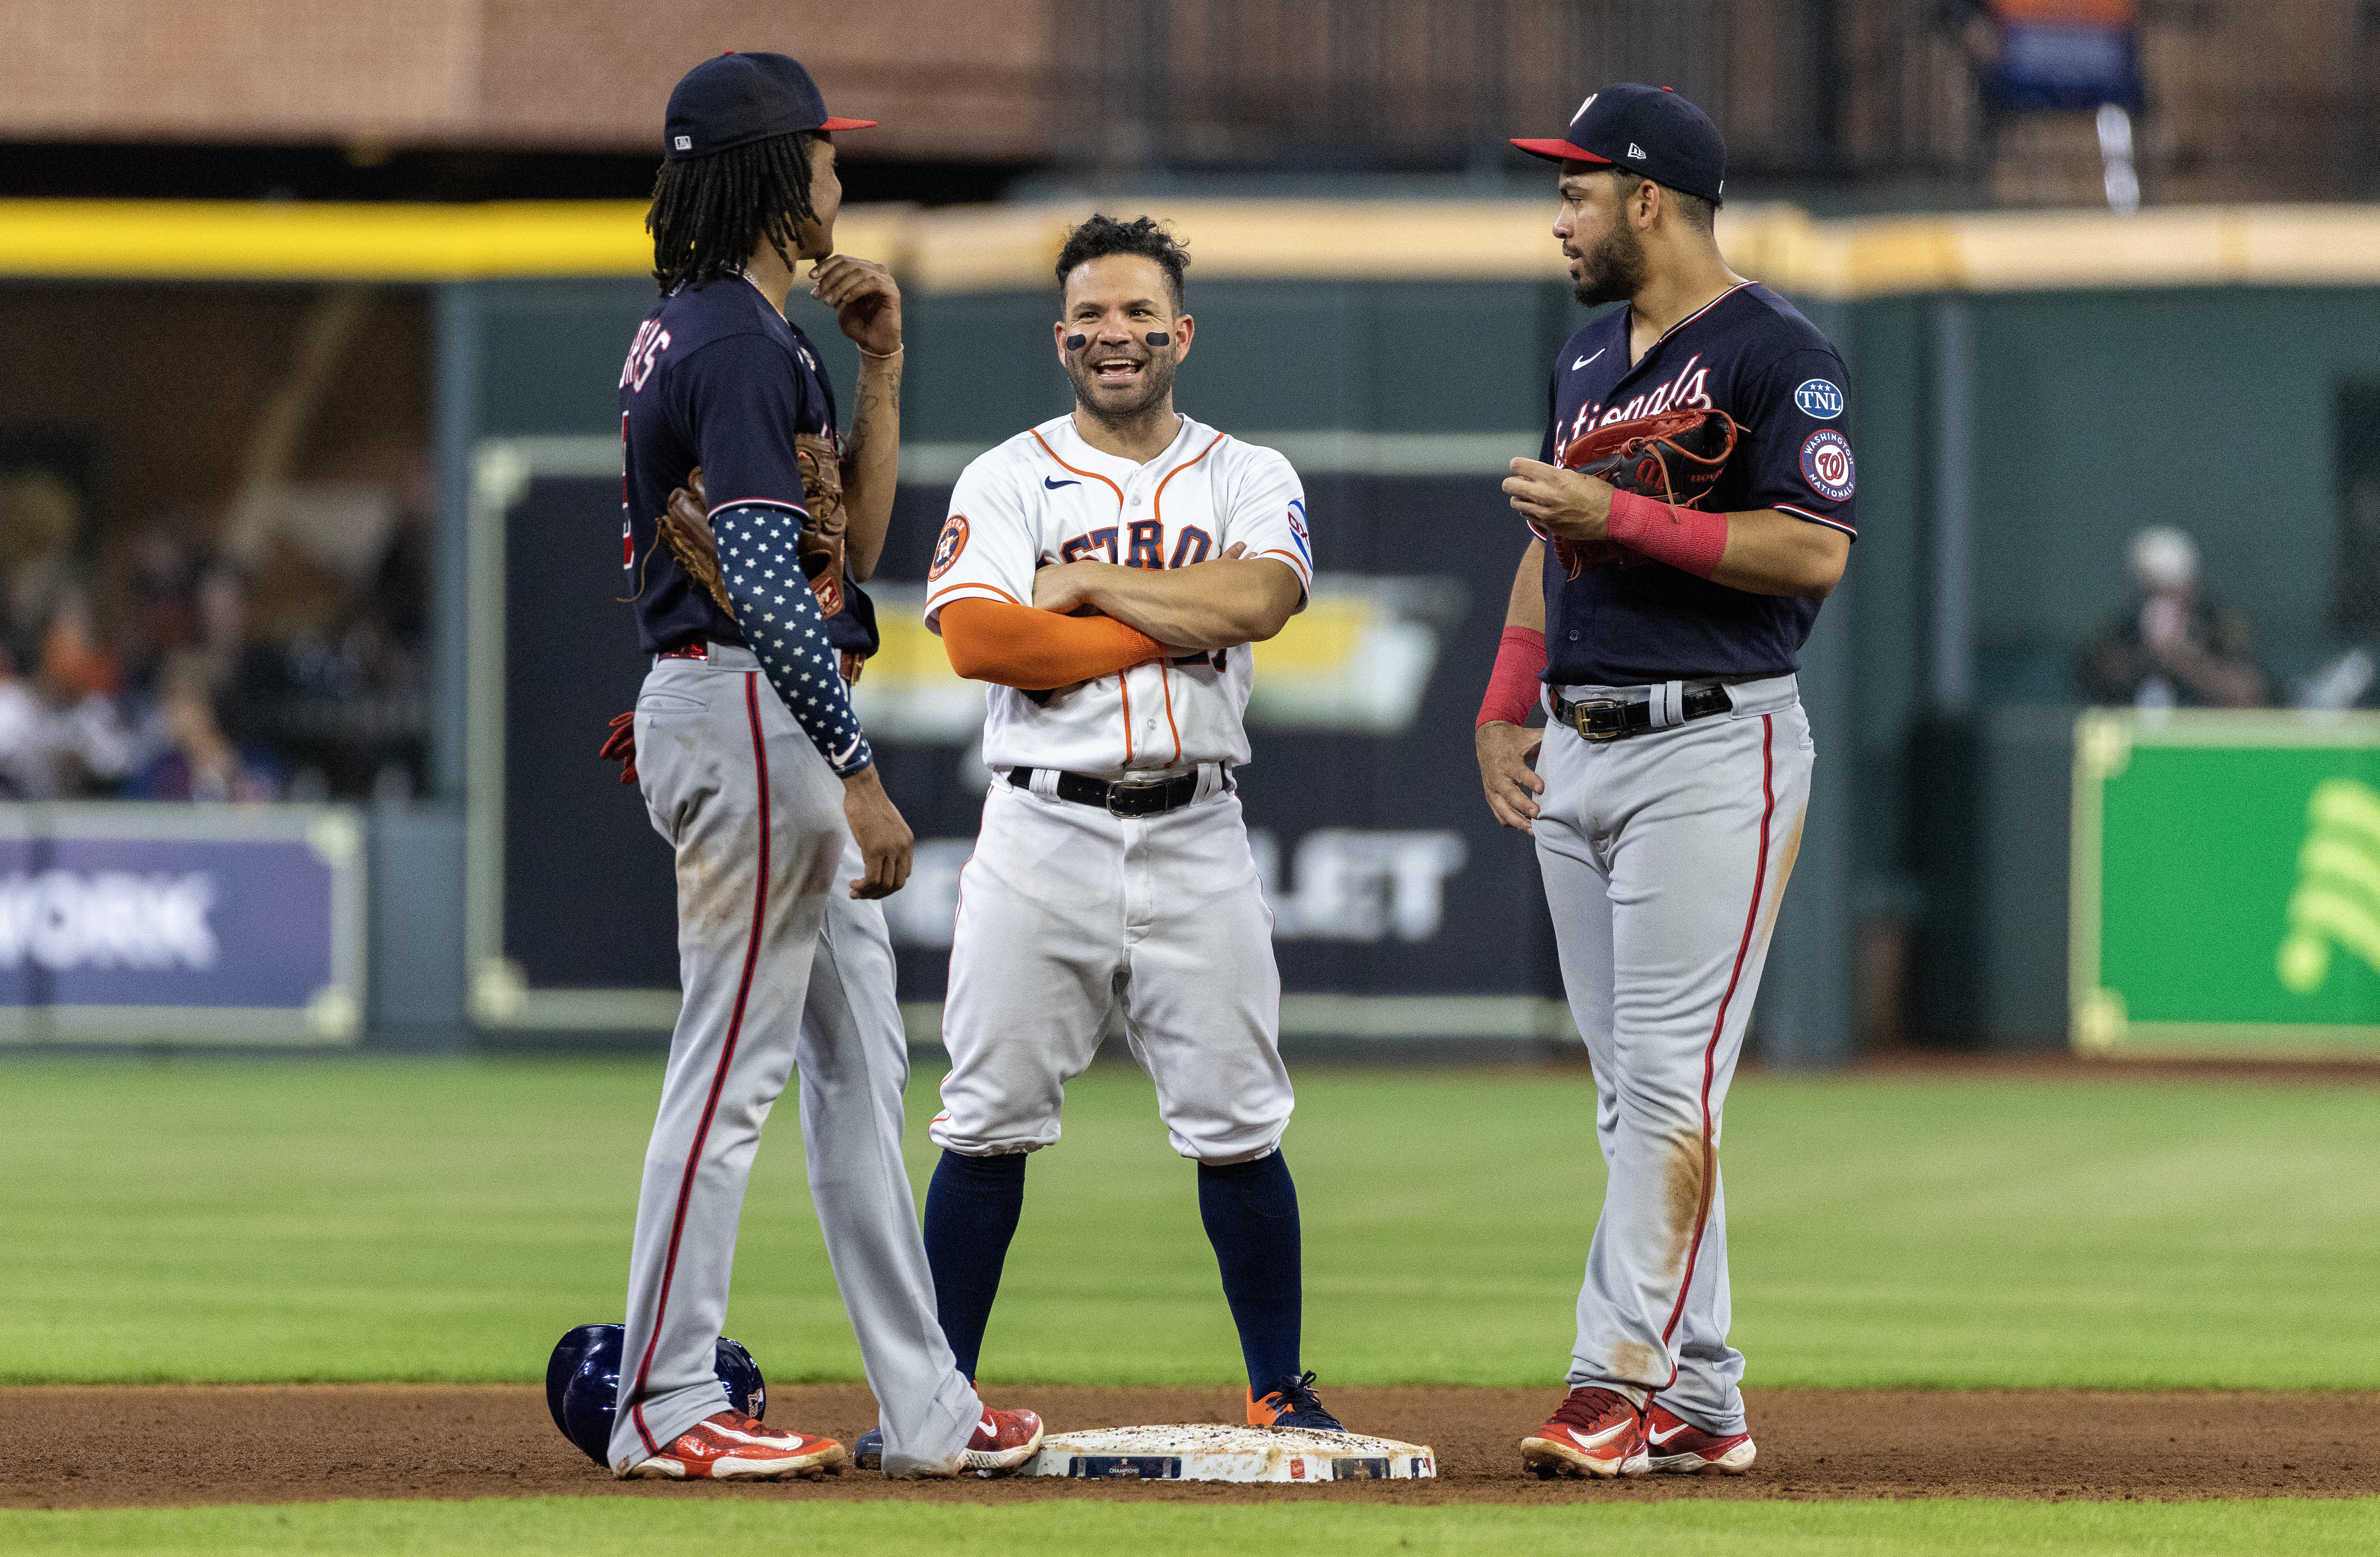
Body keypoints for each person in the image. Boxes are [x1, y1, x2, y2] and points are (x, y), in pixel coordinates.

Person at [601, 50, 1040, 1483]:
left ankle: (926, 1406)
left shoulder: (726, 331)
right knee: (728, 1071)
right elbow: (763, 579)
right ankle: (664, 1401)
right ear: (769, 173)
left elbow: (838, 547)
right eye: (822, 154)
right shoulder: (728, 341)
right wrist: (853, 764)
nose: (837, 176)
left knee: (861, 1070)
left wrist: (882, 371)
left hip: (751, 700)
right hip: (747, 707)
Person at [1476, 85, 1856, 1478]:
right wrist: (1503, 698)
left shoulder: (1777, 353)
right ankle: (1702, 1397)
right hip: (1576, 741)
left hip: (1715, 744)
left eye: (1574, 190)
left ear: (1647, 199)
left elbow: (1811, 551)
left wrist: (1619, 511)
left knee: (1663, 1076)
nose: (1557, 215)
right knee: (1630, 1091)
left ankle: (1613, 1378)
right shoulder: (1587, 358)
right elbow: (1547, 545)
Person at [917, 214, 1345, 1433]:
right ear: (1061, 339)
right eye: (1092, 315)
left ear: (1180, 332)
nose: (1116, 333)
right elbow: (985, 640)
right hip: (1039, 827)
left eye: (1137, 313)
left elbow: (1260, 596)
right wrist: (1180, 616)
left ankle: (1275, 1389)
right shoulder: (1006, 475)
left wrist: (1095, 585)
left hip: (1194, 823)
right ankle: (936, 1394)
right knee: (986, 1115)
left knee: (1238, 1120)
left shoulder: (1245, 472)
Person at [2080, 527, 2266, 707]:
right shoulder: (2124, 627)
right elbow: (2095, 680)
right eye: (2152, 592)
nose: (2161, 602)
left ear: (2190, 587)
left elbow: (2250, 693)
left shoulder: (2221, 624)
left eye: (2170, 591)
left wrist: (2181, 658)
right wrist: (2145, 655)